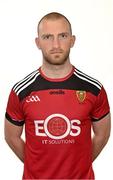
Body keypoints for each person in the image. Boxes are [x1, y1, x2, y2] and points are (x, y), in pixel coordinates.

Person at [4, 12, 111, 180]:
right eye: (47, 37)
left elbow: (102, 135)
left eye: (62, 36)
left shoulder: (93, 89)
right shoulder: (21, 91)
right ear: (37, 43)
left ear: (72, 40)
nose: (56, 44)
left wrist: (81, 164)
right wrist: (34, 165)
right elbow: (11, 137)